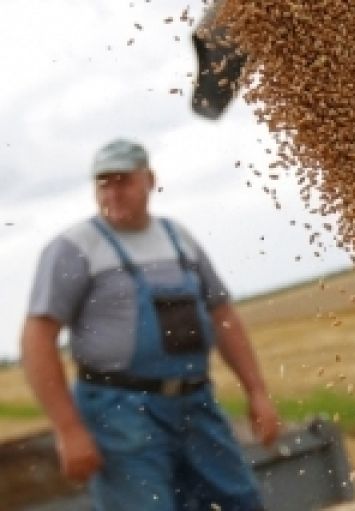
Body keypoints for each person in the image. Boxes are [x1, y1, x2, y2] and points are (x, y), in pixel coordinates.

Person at [20, 139, 280, 511]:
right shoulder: (75, 248)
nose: (113, 192)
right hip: (119, 413)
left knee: (239, 501)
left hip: (196, 402)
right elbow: (37, 338)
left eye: (123, 181)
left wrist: (256, 392)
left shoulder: (179, 239)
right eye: (103, 183)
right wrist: (69, 429)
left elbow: (222, 315)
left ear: (149, 179)